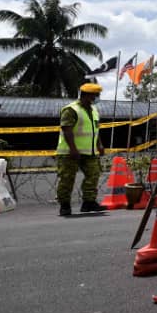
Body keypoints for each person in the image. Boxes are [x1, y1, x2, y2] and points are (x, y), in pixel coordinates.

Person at [55, 82, 105, 216]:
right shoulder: (71, 110)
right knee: (67, 179)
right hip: (69, 152)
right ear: (86, 95)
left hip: (90, 151)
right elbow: (67, 130)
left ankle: (88, 203)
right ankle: (65, 205)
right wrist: (73, 148)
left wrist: (99, 145)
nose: (95, 98)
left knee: (93, 175)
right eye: (94, 95)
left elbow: (96, 129)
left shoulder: (94, 110)